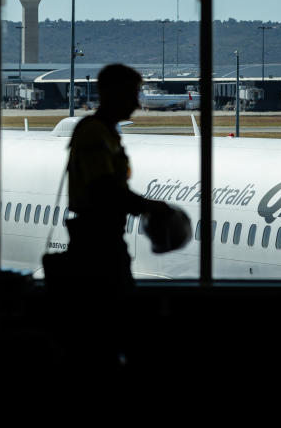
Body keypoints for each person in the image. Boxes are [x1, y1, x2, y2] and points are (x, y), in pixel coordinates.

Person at [43, 64, 172, 390]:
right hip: (96, 243)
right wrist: (149, 207)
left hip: (104, 238)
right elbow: (104, 189)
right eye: (132, 93)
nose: (136, 102)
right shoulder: (95, 133)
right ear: (112, 94)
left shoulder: (107, 132)